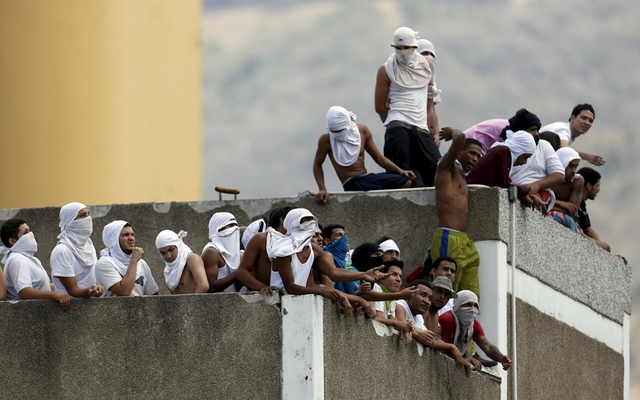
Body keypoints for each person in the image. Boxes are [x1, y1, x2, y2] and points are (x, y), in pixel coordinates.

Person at [374, 27, 441, 187]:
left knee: (438, 170)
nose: (402, 51)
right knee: (402, 175)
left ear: (415, 47)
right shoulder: (386, 69)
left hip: (420, 126)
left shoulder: (426, 65)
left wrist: (422, 117)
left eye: (406, 48)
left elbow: (430, 93)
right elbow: (380, 106)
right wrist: (393, 123)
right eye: (399, 48)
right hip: (398, 124)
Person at [269, 209, 384, 300]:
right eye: (305, 219)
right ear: (293, 222)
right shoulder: (283, 250)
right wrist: (320, 291)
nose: (311, 223)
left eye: (311, 219)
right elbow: (290, 287)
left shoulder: (313, 249)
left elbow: (333, 273)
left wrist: (363, 275)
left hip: (301, 302)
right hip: (280, 303)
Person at [313, 106, 416, 205]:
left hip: (366, 178)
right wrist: (322, 189)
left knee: (407, 180)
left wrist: (400, 171)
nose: (338, 134)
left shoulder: (362, 131)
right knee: (401, 183)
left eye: (340, 131)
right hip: (351, 183)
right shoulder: (326, 140)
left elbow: (379, 158)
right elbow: (317, 165)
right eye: (334, 132)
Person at [431, 133, 483, 297]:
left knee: (470, 294)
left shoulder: (462, 176)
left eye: (478, 156)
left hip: (464, 240)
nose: (475, 159)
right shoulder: (446, 168)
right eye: (472, 153)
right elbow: (460, 137)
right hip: (448, 236)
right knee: (444, 289)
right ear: (460, 151)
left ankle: (467, 322)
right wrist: (452, 132)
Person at [395, 279, 468, 371]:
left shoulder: (418, 317)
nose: (427, 301)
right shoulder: (400, 305)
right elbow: (403, 327)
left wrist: (452, 347)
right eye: (423, 295)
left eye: (430, 298)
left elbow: (429, 339)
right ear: (410, 293)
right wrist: (417, 334)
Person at [466, 130, 545, 212]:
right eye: (525, 156)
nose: (524, 162)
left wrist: (525, 193)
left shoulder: (501, 151)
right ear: (518, 150)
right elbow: (504, 185)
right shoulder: (504, 151)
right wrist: (524, 192)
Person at [0, 219, 72, 308]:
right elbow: (24, 292)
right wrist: (55, 295)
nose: (31, 234)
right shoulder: (17, 260)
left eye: (30, 230)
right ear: (13, 241)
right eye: (26, 232)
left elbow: (41, 287)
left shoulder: (31, 259)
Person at [439, 290, 512, 372]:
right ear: (457, 305)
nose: (472, 309)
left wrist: (501, 358)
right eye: (468, 305)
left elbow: (488, 347)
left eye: (475, 306)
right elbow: (441, 347)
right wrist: (466, 359)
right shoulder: (448, 319)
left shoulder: (474, 324)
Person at [50, 202, 104, 298]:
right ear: (70, 221)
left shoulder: (88, 244)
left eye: (88, 214)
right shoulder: (62, 251)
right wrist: (90, 292)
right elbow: (73, 291)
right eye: (82, 215)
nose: (88, 219)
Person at [95, 220, 159, 297]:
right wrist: (134, 261)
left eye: (132, 234)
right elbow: (124, 291)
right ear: (113, 239)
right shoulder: (104, 263)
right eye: (125, 235)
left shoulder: (141, 263)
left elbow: (154, 296)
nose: (131, 238)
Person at [237, 207, 292, 294]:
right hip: (266, 299)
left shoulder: (300, 242)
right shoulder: (261, 239)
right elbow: (242, 272)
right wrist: (263, 287)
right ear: (283, 220)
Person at [440, 108, 542, 154]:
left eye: (537, 130)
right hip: (475, 143)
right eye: (532, 130)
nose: (536, 133)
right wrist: (454, 132)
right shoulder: (510, 134)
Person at [540, 104, 605, 166]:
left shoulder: (570, 135)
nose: (587, 123)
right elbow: (564, 147)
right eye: (584, 118)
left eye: (590, 121)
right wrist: (587, 156)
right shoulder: (564, 129)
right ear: (573, 118)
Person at [156, 230, 209, 294]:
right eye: (163, 253)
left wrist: (191, 304)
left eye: (171, 250)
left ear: (178, 245)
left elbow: (203, 286)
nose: (168, 256)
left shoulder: (192, 259)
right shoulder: (168, 269)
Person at [202, 212, 242, 292]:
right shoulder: (212, 252)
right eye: (230, 225)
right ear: (219, 229)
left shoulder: (238, 254)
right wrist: (238, 274)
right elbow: (211, 287)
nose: (235, 229)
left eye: (236, 225)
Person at [548, 147, 584, 233]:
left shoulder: (577, 181)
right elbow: (538, 202)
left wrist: (549, 204)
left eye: (576, 167)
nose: (574, 171)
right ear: (561, 163)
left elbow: (572, 211)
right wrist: (560, 203)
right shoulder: (547, 177)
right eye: (571, 166)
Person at [322, 224, 357, 294]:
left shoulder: (344, 262)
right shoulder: (325, 257)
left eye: (344, 235)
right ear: (327, 241)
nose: (344, 238)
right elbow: (329, 289)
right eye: (339, 235)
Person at [417, 38, 441, 134]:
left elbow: (433, 111)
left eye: (432, 55)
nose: (429, 57)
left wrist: (436, 133)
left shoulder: (432, 85)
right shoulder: (411, 84)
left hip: (429, 136)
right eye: (425, 53)